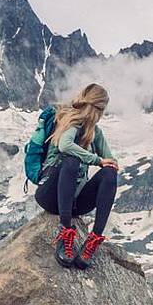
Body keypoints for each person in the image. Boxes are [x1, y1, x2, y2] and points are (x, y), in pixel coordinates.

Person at [35, 83, 120, 269]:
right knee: (71, 160)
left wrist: (108, 163)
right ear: (100, 109)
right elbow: (65, 146)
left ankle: (93, 240)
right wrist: (96, 160)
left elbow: (110, 161)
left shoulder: (95, 132)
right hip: (50, 196)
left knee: (110, 172)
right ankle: (65, 230)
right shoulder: (71, 121)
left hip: (75, 203)